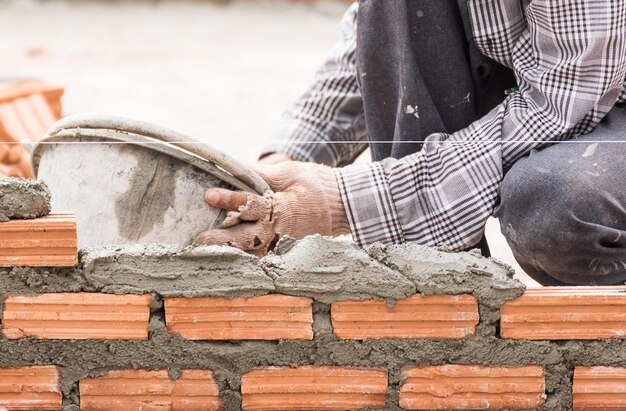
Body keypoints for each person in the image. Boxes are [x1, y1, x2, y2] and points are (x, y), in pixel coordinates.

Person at [196, 0, 626, 287]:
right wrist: (273, 172)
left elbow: (569, 90)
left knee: (555, 208)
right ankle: (432, 279)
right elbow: (381, 38)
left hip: (587, 90)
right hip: (559, 87)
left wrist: (341, 204)